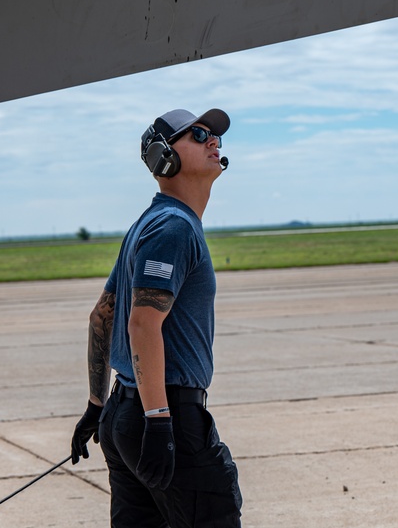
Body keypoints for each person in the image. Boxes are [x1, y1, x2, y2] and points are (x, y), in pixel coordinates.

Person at [71, 108, 242, 527]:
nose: (212, 140)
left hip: (127, 415)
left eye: (215, 135)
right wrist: (160, 423)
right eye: (198, 134)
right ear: (162, 156)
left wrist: (98, 406)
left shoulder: (148, 224)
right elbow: (142, 323)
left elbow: (102, 315)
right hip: (165, 417)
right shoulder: (174, 228)